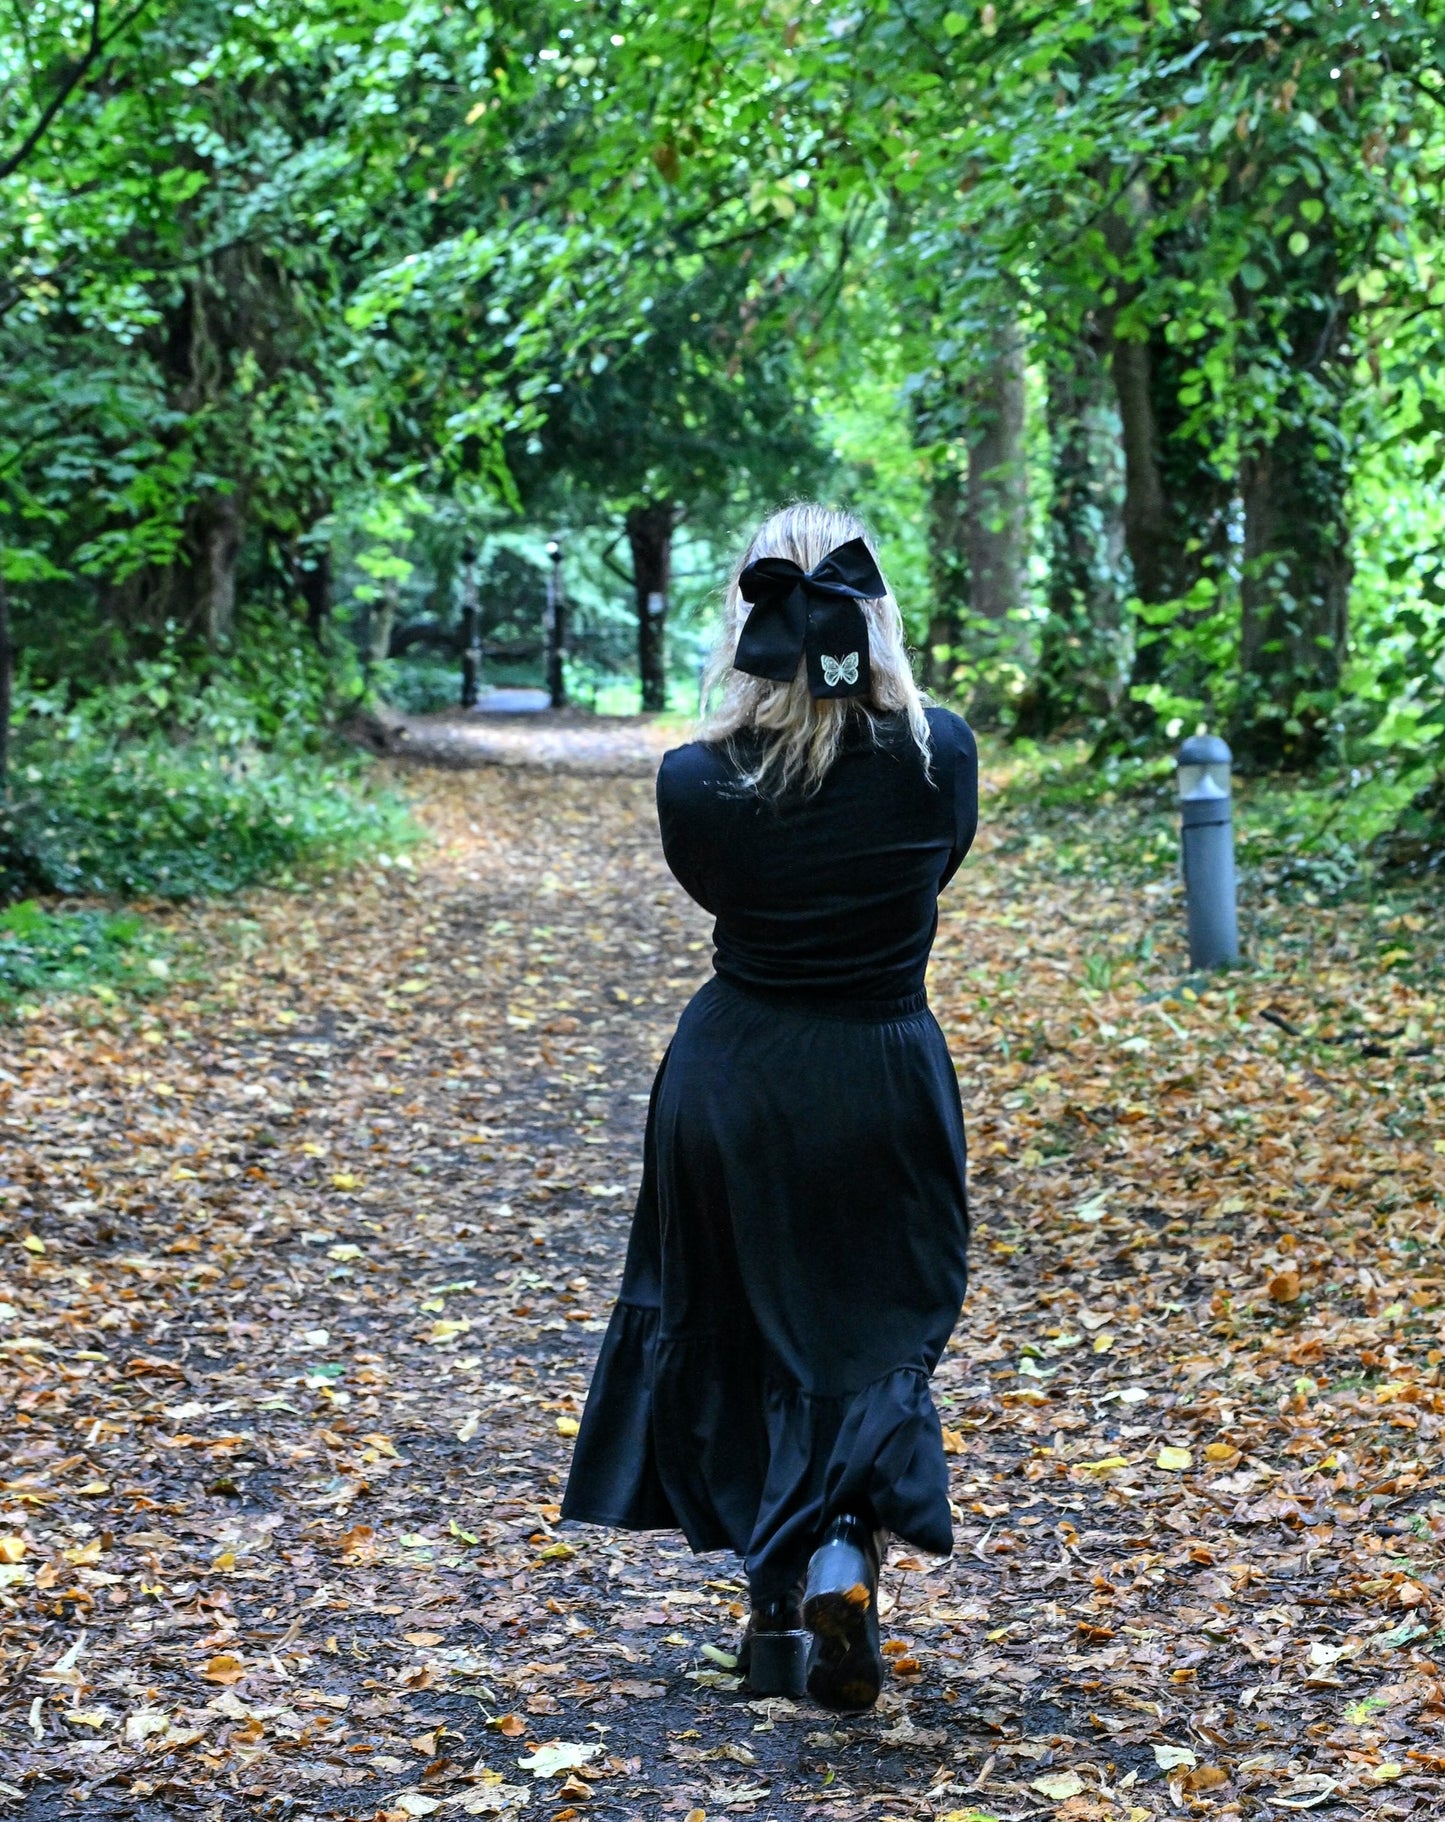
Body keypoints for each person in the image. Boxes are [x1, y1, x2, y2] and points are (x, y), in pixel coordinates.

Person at [561, 502, 976, 1711]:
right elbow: (928, 866)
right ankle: (844, 1549)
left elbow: (719, 893)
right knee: (873, 1331)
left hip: (732, 1084)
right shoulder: (935, 756)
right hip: (883, 1076)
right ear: (874, 615)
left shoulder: (694, 782)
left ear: (743, 620)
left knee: (744, 1332)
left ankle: (767, 1624)